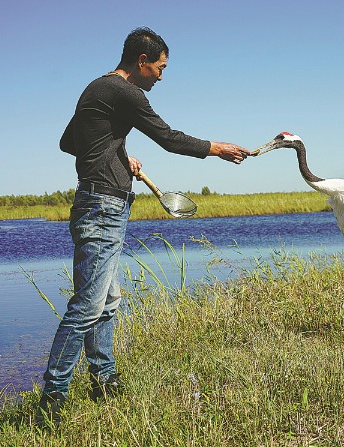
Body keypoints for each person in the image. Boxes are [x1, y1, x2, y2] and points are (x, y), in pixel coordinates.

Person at [37, 26, 250, 426]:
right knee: (86, 306)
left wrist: (118, 152)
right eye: (160, 68)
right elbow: (167, 137)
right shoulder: (125, 92)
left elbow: (70, 142)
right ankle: (52, 400)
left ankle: (104, 379)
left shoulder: (96, 89)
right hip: (102, 206)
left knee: (107, 300)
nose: (161, 77)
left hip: (101, 201)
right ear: (142, 62)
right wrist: (215, 148)